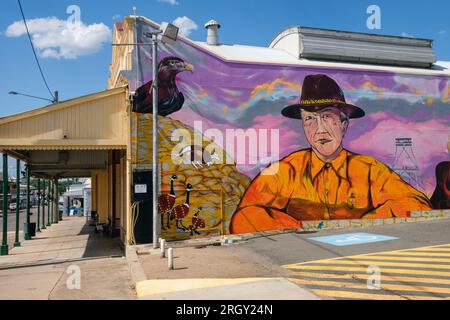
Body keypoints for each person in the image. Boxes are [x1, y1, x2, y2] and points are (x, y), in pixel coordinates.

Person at [230, 74, 432, 234]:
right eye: (309, 119)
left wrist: (358, 228)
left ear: (344, 125)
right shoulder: (286, 170)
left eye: (327, 117)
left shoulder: (369, 170)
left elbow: (417, 205)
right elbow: (245, 215)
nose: (319, 129)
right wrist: (300, 232)